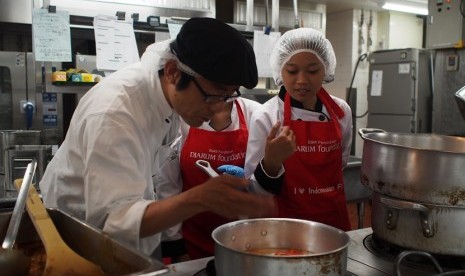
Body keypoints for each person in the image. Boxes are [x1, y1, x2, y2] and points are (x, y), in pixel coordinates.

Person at [39, 17, 275, 256]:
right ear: (173, 72)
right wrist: (201, 198)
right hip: (72, 247)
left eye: (227, 96)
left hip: (123, 246)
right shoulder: (115, 114)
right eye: (212, 95)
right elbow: (112, 220)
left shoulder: (168, 99)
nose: (217, 109)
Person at [244, 27, 353, 231]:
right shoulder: (267, 117)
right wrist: (271, 163)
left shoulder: (341, 112)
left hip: (333, 220)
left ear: (326, 70)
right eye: (292, 71)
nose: (302, 80)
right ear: (280, 71)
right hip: (287, 226)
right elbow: (254, 191)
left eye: (312, 71)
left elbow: (341, 164)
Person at [155, 95, 262, 260]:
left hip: (245, 242)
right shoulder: (183, 116)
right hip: (190, 240)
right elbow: (168, 186)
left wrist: (249, 181)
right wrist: (176, 245)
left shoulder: (255, 113)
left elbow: (267, 181)